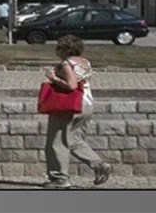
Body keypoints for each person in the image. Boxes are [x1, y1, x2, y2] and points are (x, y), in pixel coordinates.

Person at [41, 35, 111, 188]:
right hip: (86, 104)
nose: (56, 50)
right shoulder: (85, 62)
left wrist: (53, 78)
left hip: (69, 106)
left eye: (58, 47)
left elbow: (71, 85)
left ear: (66, 49)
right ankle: (99, 164)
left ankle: (59, 178)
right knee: (74, 140)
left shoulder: (67, 63)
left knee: (56, 142)